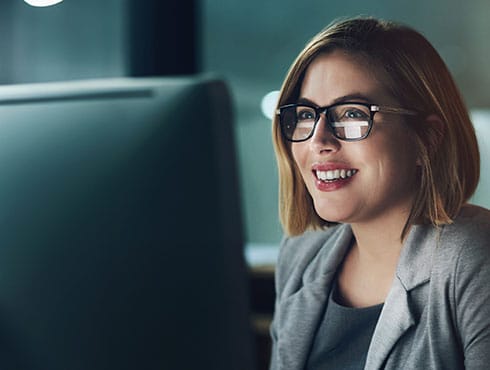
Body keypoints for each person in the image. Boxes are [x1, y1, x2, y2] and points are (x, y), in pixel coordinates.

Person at [269, 17, 490, 370]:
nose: (318, 141)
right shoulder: (301, 257)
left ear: (426, 140)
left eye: (352, 114)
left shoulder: (474, 255)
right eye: (307, 115)